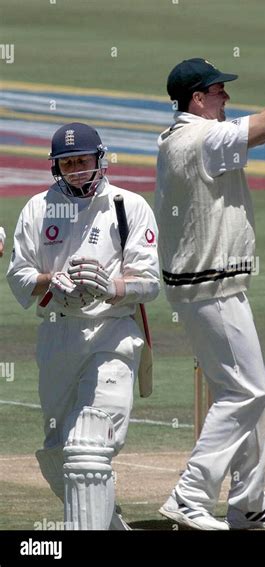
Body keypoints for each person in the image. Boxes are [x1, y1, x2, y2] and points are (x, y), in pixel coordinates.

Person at [155, 8, 265, 530]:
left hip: (216, 285)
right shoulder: (200, 139)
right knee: (247, 392)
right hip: (210, 288)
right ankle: (188, 494)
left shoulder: (200, 136)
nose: (226, 96)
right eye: (219, 90)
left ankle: (249, 504)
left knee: (257, 390)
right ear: (197, 98)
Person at [7, 122, 160, 530]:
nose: (77, 169)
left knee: (89, 446)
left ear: (100, 160)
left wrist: (110, 285)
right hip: (57, 334)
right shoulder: (38, 209)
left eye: (83, 161)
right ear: (57, 167)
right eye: (68, 163)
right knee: (58, 452)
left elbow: (150, 283)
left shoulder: (128, 206)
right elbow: (18, 275)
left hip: (112, 332)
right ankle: (110, 524)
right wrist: (48, 281)